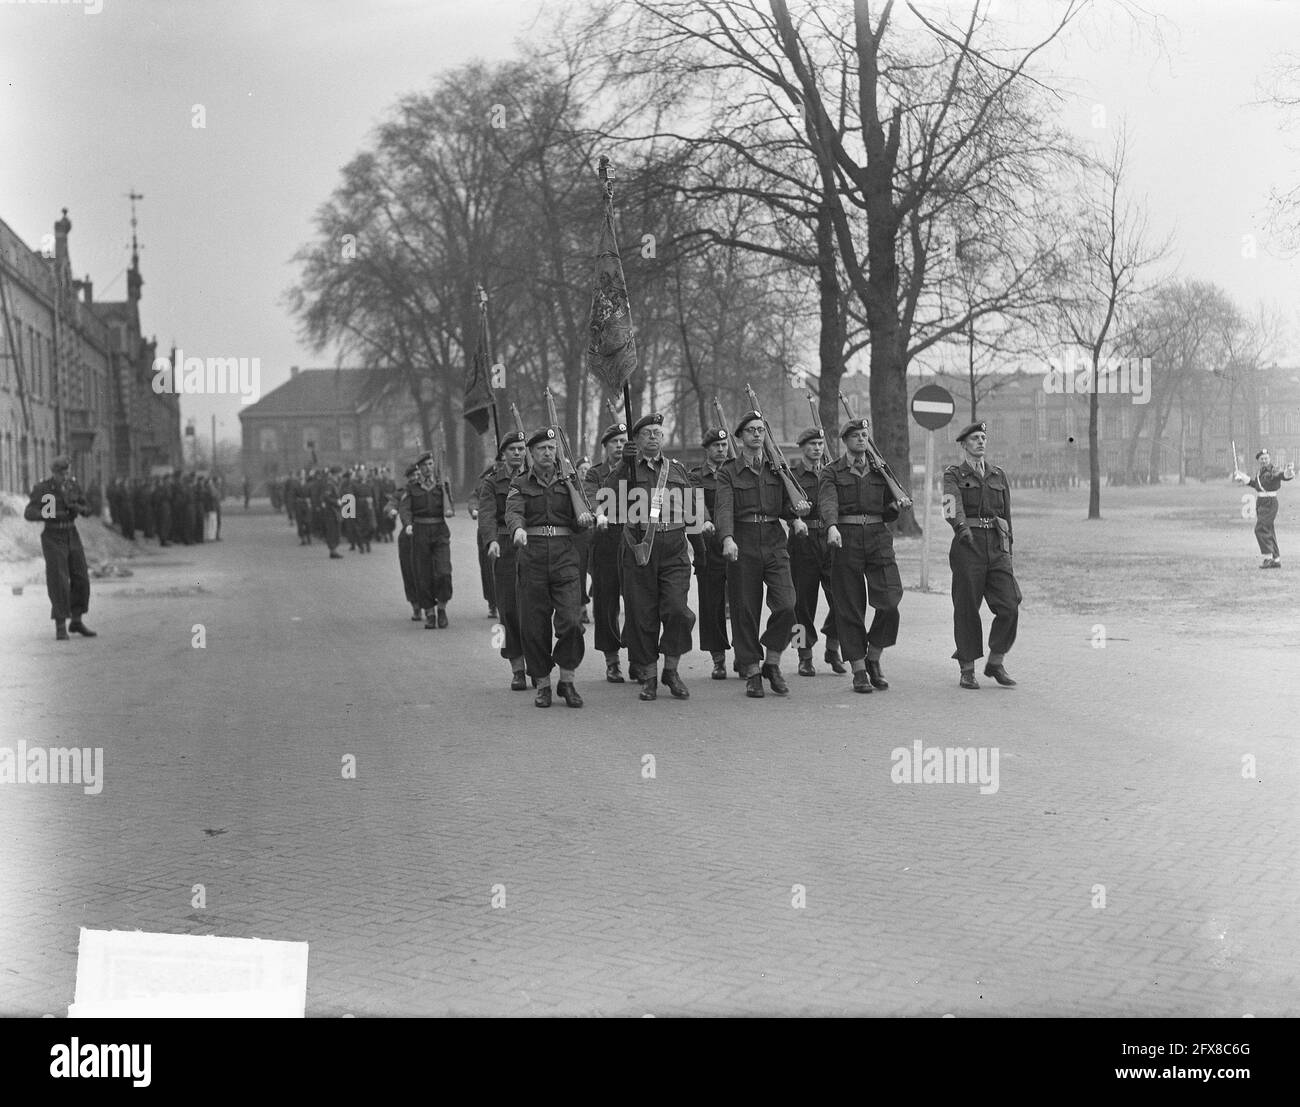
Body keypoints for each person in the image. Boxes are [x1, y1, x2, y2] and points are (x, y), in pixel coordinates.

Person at [595, 412, 698, 701]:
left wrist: (702, 550)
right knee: (642, 615)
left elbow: (693, 512)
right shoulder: (627, 469)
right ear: (637, 440)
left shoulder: (676, 470)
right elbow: (605, 498)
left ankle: (672, 670)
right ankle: (650, 676)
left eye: (657, 432)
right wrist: (622, 466)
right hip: (639, 548)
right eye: (647, 433)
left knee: (678, 610)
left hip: (674, 548)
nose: (653, 437)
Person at [714, 410, 808, 699]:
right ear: (740, 436)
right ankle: (753, 671)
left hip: (774, 541)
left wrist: (796, 519)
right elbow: (724, 508)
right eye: (751, 430)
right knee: (745, 610)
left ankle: (773, 662)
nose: (757, 434)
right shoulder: (728, 471)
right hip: (742, 542)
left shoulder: (777, 468)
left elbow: (786, 504)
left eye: (760, 430)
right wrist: (727, 538)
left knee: (788, 604)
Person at [504, 428, 593, 707]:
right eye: (541, 448)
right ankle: (543, 683)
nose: (547, 453)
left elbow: (581, 515)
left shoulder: (569, 482)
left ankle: (567, 680)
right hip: (532, 559)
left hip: (565, 559)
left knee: (572, 622)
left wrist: (588, 519)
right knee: (534, 626)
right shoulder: (520, 483)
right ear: (531, 453)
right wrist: (518, 529)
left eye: (551, 448)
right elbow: (513, 511)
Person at [817, 417, 904, 694]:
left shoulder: (881, 470)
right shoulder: (832, 471)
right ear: (845, 441)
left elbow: (890, 509)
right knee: (850, 606)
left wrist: (896, 505)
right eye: (855, 435)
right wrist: (831, 527)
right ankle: (859, 669)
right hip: (846, 538)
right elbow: (827, 501)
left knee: (890, 601)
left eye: (864, 435)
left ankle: (874, 657)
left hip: (879, 537)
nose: (861, 439)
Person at [943, 421, 1020, 690]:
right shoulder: (953, 475)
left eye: (983, 438)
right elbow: (951, 505)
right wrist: (961, 528)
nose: (980, 442)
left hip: (996, 547)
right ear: (964, 445)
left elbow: (1006, 515)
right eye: (975, 438)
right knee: (966, 608)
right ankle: (967, 668)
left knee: (1010, 603)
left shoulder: (998, 475)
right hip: (968, 546)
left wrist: (1008, 548)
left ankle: (996, 661)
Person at [788, 427, 846, 678]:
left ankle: (833, 648)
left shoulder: (832, 474)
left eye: (820, 444)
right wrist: (793, 519)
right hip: (803, 543)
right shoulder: (791, 476)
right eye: (811, 444)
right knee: (801, 605)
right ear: (802, 448)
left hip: (831, 541)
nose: (817, 448)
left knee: (843, 599)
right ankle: (804, 656)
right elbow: (782, 503)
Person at [477, 432, 529, 690]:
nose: (518, 453)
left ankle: (538, 661)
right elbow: (486, 514)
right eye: (513, 449)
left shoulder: (534, 477)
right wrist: (491, 540)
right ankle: (517, 667)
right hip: (505, 547)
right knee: (507, 609)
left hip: (531, 545)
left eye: (521, 449)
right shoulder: (491, 482)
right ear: (503, 454)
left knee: (534, 608)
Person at [24, 455, 97, 640]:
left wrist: (79, 509)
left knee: (81, 577)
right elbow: (29, 512)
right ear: (54, 473)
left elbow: (88, 508)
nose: (65, 476)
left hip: (71, 534)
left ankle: (77, 620)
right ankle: (60, 624)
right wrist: (48, 513)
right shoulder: (44, 489)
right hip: (53, 536)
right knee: (59, 580)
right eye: (61, 473)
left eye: (67, 472)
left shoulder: (73, 486)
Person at [584, 421, 629, 682]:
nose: (621, 447)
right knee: (606, 603)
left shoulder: (636, 469)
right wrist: (598, 513)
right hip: (606, 539)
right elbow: (592, 498)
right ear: (605, 446)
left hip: (635, 538)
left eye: (624, 442)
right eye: (616, 442)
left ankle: (639, 656)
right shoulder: (595, 474)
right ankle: (612, 660)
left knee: (638, 602)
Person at [688, 427, 733, 679]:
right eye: (716, 446)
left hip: (734, 543)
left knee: (742, 602)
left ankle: (746, 653)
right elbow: (697, 502)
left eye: (724, 445)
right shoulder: (696, 476)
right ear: (707, 449)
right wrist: (705, 520)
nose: (721, 449)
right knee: (711, 604)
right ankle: (718, 658)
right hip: (708, 546)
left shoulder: (736, 473)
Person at [399, 451, 454, 626]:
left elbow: (449, 505)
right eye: (424, 465)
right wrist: (407, 523)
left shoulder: (441, 485)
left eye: (430, 464)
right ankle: (430, 613)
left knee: (444, 571)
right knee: (423, 574)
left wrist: (449, 505)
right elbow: (405, 508)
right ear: (419, 469)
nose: (428, 468)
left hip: (439, 530)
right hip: (420, 531)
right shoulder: (412, 487)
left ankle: (442, 608)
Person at [1234, 449, 1295, 568]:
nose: (1264, 460)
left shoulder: (1273, 469)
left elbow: (1282, 475)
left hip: (1270, 502)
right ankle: (1276, 560)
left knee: (1260, 529)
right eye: (1261, 459)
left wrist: (1288, 471)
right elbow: (1256, 486)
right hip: (1261, 502)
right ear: (1259, 460)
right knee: (1269, 530)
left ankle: (1268, 558)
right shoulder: (1260, 472)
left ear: (1269, 459)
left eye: (1266, 458)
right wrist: (1242, 477)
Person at [387, 465, 421, 619]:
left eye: (417, 475)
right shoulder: (402, 493)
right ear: (408, 478)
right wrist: (392, 510)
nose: (415, 478)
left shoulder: (428, 489)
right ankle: (415, 604)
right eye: (412, 476)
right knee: (409, 571)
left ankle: (428, 602)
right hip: (408, 537)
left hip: (426, 534)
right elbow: (391, 503)